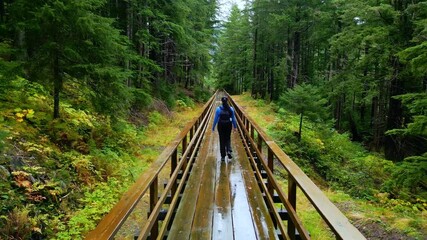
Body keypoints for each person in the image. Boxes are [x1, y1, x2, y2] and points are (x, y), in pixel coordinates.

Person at [212, 96, 237, 161]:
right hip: (228, 124)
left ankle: (223, 156)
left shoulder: (218, 109)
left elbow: (215, 119)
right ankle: (228, 150)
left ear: (221, 102)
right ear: (227, 101)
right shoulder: (231, 109)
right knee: (228, 138)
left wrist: (213, 127)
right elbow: (233, 119)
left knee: (222, 139)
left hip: (221, 125)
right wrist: (235, 127)